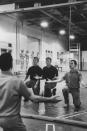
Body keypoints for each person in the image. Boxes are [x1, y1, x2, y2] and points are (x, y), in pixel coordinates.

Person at [0, 52, 61, 131]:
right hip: (13, 121)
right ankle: (25, 95)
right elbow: (33, 98)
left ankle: (25, 94)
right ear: (11, 64)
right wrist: (50, 99)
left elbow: (42, 78)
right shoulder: (16, 81)